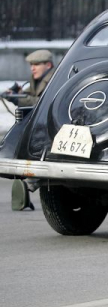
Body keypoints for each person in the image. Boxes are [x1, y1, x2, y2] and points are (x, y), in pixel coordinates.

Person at [2, 49, 56, 212]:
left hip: (49, 129)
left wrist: (17, 98)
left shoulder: (54, 79)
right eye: (31, 65)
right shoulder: (36, 80)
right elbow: (29, 95)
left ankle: (27, 187)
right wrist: (16, 94)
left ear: (48, 65)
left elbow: (40, 101)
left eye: (37, 64)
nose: (33, 68)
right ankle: (25, 187)